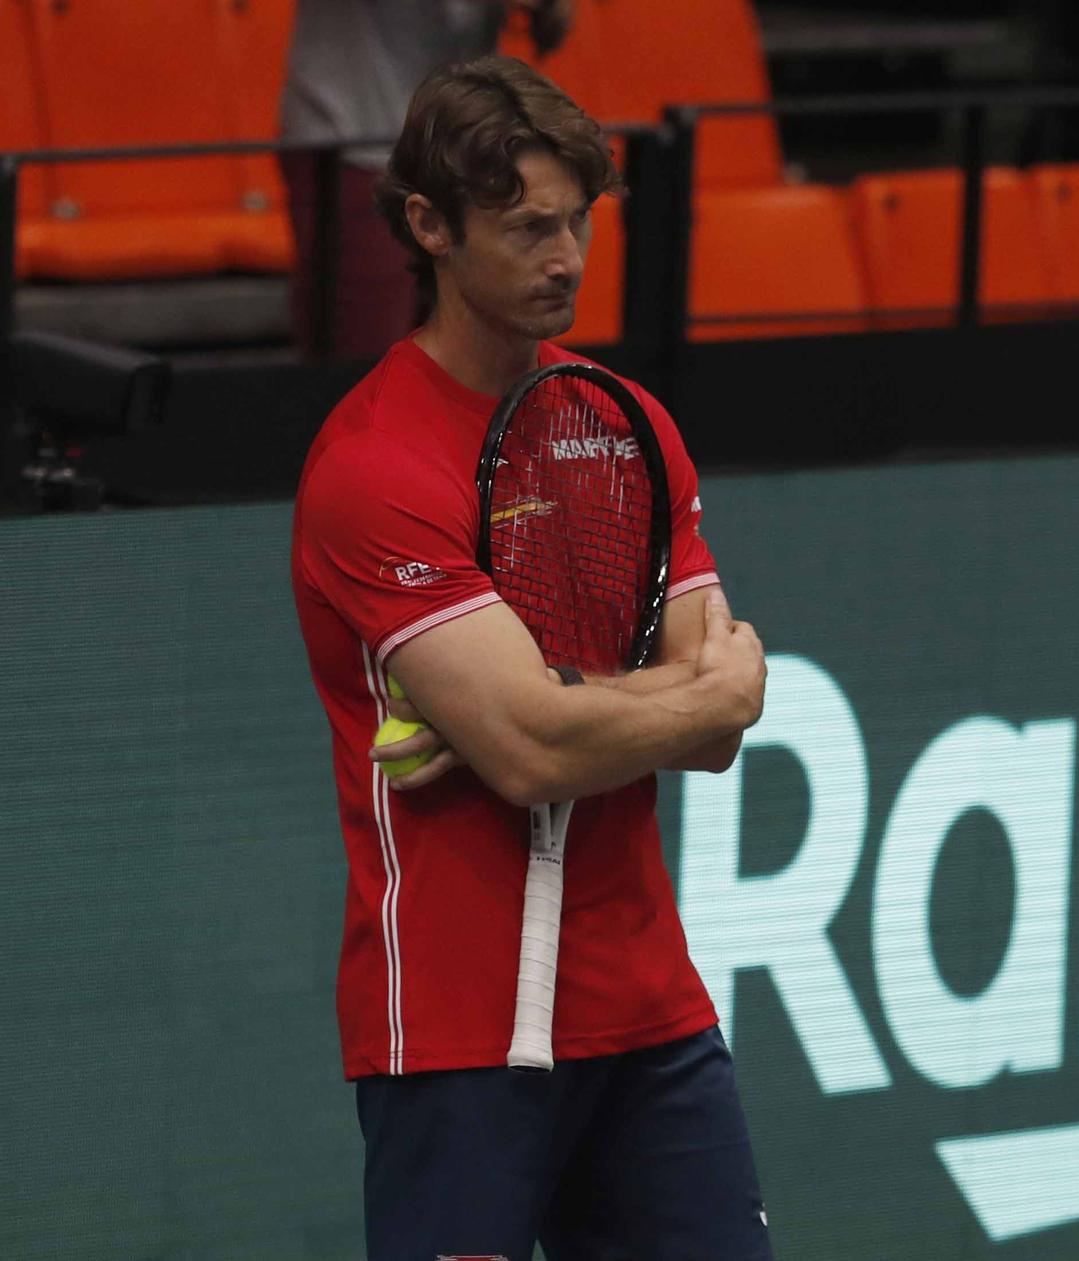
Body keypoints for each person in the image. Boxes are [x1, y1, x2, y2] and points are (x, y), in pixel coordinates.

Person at [288, 55, 776, 1260]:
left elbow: (724, 715)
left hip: (649, 1014)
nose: (565, 257)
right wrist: (566, 719)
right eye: (526, 228)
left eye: (579, 223)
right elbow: (531, 753)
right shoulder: (373, 468)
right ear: (428, 225)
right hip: (453, 1033)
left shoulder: (626, 426)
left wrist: (556, 706)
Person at [279, 1, 572, 358]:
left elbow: (552, 25)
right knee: (363, 368)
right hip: (355, 142)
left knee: (457, 369)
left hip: (458, 150)